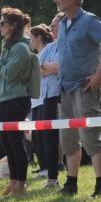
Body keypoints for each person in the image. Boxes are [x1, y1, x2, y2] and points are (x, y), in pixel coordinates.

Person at [53, 0, 101, 198]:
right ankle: (71, 184)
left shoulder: (89, 21)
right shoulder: (62, 24)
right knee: (68, 140)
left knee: (90, 137)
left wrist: (99, 75)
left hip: (84, 87)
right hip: (65, 89)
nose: (56, 0)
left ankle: (100, 186)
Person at [0, 7, 37, 197]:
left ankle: (21, 185)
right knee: (8, 144)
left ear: (13, 26)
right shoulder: (7, 45)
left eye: (2, 23)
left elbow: (8, 74)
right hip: (6, 100)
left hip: (17, 101)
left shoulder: (21, 49)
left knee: (16, 143)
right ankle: (14, 181)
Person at [34, 17, 62, 189]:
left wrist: (46, 67)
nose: (51, 29)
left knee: (57, 138)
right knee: (46, 137)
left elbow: (58, 68)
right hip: (44, 97)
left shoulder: (67, 46)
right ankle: (52, 178)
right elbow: (35, 70)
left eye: (54, 26)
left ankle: (58, 173)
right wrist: (46, 67)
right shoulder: (50, 47)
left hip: (57, 95)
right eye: (50, 25)